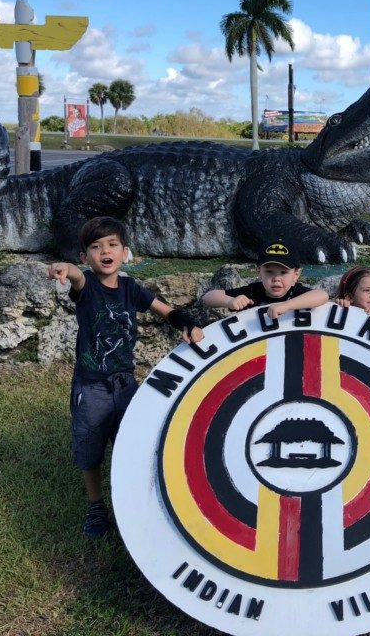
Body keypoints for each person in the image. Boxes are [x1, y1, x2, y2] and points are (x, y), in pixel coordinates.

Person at [46, 216, 204, 538]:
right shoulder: (86, 287)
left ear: (125, 252)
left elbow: (165, 310)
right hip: (92, 387)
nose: (105, 251)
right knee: (89, 448)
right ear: (84, 257)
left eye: (112, 244)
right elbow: (75, 278)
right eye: (95, 246)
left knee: (131, 444)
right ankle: (96, 506)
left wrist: (187, 323)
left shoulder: (131, 289)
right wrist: (65, 269)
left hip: (126, 383)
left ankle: (132, 502)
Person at [201, 239, 329, 318]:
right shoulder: (252, 292)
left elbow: (322, 295)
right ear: (259, 272)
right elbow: (208, 297)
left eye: (283, 272)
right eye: (269, 272)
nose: (276, 279)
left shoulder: (296, 292)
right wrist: (230, 301)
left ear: (296, 274)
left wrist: (287, 305)